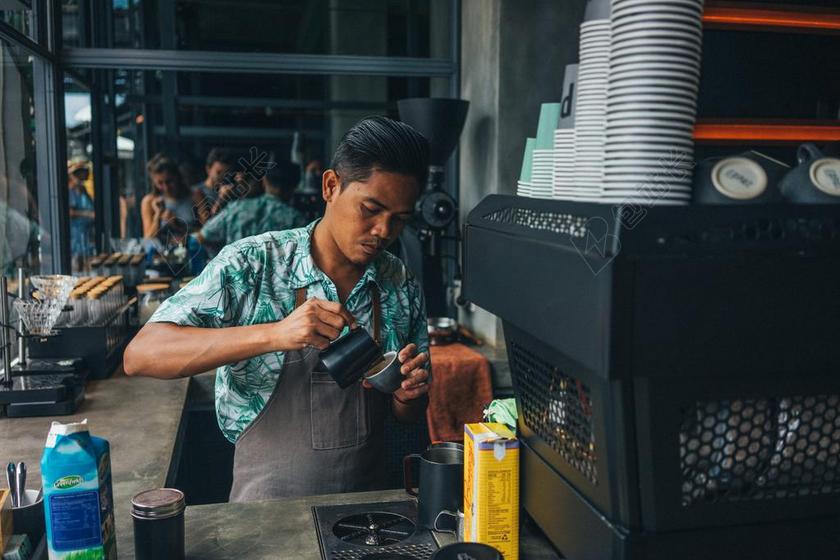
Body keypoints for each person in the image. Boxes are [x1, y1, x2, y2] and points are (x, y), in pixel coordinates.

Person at [124, 116, 432, 502]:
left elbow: (410, 413)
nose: (384, 231)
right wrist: (275, 334)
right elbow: (141, 354)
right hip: (265, 513)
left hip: (363, 513)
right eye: (371, 209)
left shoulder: (398, 282)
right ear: (331, 186)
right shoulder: (254, 263)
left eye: (399, 219)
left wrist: (408, 395)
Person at [196, 160, 307, 247]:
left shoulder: (236, 208)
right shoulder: (297, 220)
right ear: (295, 187)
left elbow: (202, 237)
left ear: (264, 181)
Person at [141, 154, 204, 240]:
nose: (166, 188)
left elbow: (207, 232)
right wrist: (158, 216)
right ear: (154, 183)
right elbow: (147, 240)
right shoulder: (148, 201)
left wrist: (178, 225)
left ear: (177, 177)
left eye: (169, 181)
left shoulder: (195, 195)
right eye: (160, 183)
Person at [193, 147, 236, 217]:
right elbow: (206, 222)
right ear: (208, 169)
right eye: (218, 172)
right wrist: (221, 198)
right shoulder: (195, 192)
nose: (223, 177)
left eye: (227, 173)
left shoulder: (232, 192)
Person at [67, 160, 95, 261]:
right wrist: (88, 214)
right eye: (78, 173)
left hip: (87, 234)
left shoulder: (84, 190)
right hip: (76, 235)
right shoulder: (70, 191)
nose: (81, 176)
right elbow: (70, 212)